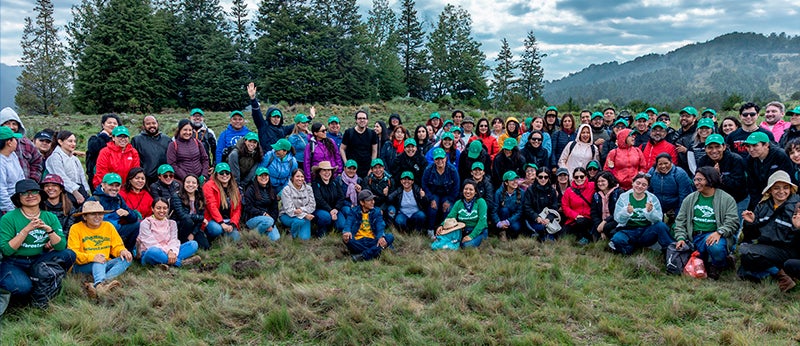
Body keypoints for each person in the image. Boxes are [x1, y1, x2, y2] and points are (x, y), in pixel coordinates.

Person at [0, 179, 76, 307]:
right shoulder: (8, 218)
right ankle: (30, 290)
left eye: (34, 192)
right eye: (24, 193)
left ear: (40, 195)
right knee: (22, 287)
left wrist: (49, 230)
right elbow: (7, 250)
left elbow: (60, 246)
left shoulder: (49, 217)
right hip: (15, 261)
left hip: (38, 259)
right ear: (19, 198)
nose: (30, 196)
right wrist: (26, 230)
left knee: (69, 254)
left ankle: (39, 280)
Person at [673, 167, 739, 279]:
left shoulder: (727, 199)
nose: (696, 183)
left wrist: (719, 232)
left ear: (710, 179)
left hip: (715, 236)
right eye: (695, 180)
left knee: (716, 248)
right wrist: (681, 238)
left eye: (700, 180)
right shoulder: (689, 199)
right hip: (694, 237)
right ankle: (719, 261)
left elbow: (733, 222)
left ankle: (716, 266)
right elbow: (680, 221)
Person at [739, 170, 800, 291]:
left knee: (747, 252)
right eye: (776, 188)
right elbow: (753, 235)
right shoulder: (762, 205)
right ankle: (780, 274)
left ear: (791, 189)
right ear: (770, 190)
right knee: (744, 261)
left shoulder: (797, 207)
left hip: (789, 250)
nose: (781, 191)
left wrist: (797, 228)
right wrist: (751, 223)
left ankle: (781, 276)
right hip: (767, 247)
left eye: (785, 187)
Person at [68, 201, 132, 297]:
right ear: (84, 217)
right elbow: (73, 254)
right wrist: (93, 257)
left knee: (126, 259)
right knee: (99, 261)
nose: (97, 217)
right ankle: (100, 284)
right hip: (82, 265)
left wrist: (122, 251)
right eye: (93, 214)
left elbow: (116, 245)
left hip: (104, 262)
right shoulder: (76, 228)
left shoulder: (108, 226)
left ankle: (100, 284)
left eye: (100, 214)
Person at [608, 173, 673, 255]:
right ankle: (630, 249)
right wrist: (626, 212)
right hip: (628, 230)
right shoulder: (624, 197)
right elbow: (617, 219)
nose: (640, 186)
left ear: (647, 187)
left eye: (644, 185)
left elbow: (658, 219)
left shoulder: (652, 198)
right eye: (638, 183)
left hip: (646, 231)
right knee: (617, 240)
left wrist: (650, 212)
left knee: (661, 226)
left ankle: (670, 250)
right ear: (633, 183)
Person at [138, 198, 201, 269]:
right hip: (152, 252)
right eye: (158, 208)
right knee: (152, 251)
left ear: (168, 209)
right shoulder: (146, 223)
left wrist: (171, 251)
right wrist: (168, 252)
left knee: (193, 244)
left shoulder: (171, 223)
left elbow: (173, 240)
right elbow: (150, 243)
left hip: (170, 250)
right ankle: (180, 263)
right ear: (152, 209)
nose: (162, 211)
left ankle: (163, 263)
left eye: (165, 208)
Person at [696, 134, 748, 214]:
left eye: (717, 147)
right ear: (705, 149)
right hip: (714, 200)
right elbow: (698, 183)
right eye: (710, 147)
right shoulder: (703, 161)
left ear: (724, 147)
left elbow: (739, 185)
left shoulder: (736, 160)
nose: (714, 151)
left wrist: (720, 176)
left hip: (737, 199)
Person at [89, 173, 141, 252]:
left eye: (117, 186)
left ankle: (128, 251)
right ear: (103, 185)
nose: (114, 188)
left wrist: (127, 213)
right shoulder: (94, 199)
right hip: (99, 234)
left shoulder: (118, 198)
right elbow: (84, 220)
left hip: (117, 230)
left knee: (136, 225)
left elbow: (133, 218)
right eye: (111, 185)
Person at [744, 131, 794, 210]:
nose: (751, 149)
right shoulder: (750, 159)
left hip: (782, 197)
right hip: (761, 198)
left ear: (766, 145)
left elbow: (790, 179)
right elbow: (752, 185)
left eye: (755, 145)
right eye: (748, 146)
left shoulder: (780, 156)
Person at [432, 180, 489, 249]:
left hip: (479, 231)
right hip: (462, 230)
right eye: (466, 189)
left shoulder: (481, 202)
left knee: (466, 245)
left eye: (471, 189)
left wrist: (471, 236)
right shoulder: (458, 203)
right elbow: (450, 216)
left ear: (476, 192)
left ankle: (480, 240)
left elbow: (482, 221)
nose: (468, 191)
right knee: (447, 239)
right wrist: (441, 225)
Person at [342, 190, 394, 261]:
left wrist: (381, 237)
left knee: (390, 237)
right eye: (369, 200)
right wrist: (347, 231)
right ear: (362, 202)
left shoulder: (377, 211)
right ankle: (376, 251)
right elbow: (348, 222)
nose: (373, 202)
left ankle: (363, 255)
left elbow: (380, 225)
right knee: (347, 239)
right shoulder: (354, 211)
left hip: (373, 240)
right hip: (358, 240)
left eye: (373, 199)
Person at [422, 148, 460, 238]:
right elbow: (424, 184)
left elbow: (456, 187)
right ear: (434, 160)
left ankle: (445, 231)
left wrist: (449, 200)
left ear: (446, 158)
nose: (439, 161)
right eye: (437, 159)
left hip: (448, 194)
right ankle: (430, 230)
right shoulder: (428, 169)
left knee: (448, 209)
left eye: (441, 158)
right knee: (432, 208)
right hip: (434, 193)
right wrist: (431, 198)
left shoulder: (452, 170)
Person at [45, 131, 90, 204]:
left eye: (74, 141)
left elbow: (82, 177)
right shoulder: (55, 157)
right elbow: (61, 177)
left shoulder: (75, 159)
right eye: (70, 141)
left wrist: (86, 191)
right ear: (60, 142)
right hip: (65, 192)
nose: (73, 144)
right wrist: (75, 192)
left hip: (79, 190)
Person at [0, 107, 43, 182]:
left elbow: (37, 162)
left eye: (14, 124)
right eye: (7, 123)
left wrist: (32, 181)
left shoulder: (27, 144)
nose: (11, 127)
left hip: (25, 186)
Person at [247, 82, 294, 150]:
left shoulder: (283, 129)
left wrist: (309, 117)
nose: (276, 119)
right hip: (266, 155)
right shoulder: (263, 126)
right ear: (269, 117)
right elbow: (257, 114)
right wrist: (253, 99)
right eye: (274, 117)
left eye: (278, 117)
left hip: (279, 155)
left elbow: (298, 124)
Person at [647, 153, 693, 222]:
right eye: (660, 164)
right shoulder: (652, 172)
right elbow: (648, 190)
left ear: (671, 162)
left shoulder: (679, 173)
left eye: (666, 163)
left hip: (676, 205)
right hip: (658, 204)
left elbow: (684, 195)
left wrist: (680, 212)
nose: (663, 166)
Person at [203, 163, 242, 242]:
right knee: (217, 229)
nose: (224, 175)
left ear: (230, 174)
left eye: (227, 172)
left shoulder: (234, 188)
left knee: (237, 238)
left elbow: (237, 209)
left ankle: (223, 235)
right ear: (216, 174)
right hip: (212, 219)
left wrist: (233, 224)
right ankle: (210, 235)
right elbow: (212, 206)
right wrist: (221, 223)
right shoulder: (208, 186)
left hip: (228, 220)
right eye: (221, 173)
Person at [131, 115, 171, 186]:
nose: (151, 125)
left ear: (157, 124)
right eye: (148, 124)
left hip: (164, 178)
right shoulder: (137, 140)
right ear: (143, 126)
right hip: (145, 180)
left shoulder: (167, 139)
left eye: (154, 123)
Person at [170, 175, 209, 248]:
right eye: (188, 182)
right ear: (184, 184)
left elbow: (200, 218)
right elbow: (182, 215)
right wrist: (200, 218)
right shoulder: (177, 196)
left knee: (205, 247)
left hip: (193, 227)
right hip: (180, 226)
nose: (190, 185)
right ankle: (181, 242)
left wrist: (193, 233)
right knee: (188, 221)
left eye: (194, 183)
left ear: (197, 185)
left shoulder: (200, 197)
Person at [522, 167, 560, 240]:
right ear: (536, 177)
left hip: (547, 219)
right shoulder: (530, 190)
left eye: (546, 177)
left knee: (552, 235)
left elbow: (554, 207)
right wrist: (536, 217)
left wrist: (549, 218)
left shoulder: (552, 190)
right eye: (540, 177)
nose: (543, 179)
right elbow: (527, 207)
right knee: (541, 228)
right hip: (534, 218)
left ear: (548, 178)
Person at [311, 161, 347, 237]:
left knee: (341, 226)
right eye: (324, 170)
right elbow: (319, 199)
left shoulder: (335, 183)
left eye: (329, 170)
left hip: (335, 209)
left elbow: (341, 197)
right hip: (320, 209)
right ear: (319, 172)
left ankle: (331, 226)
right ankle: (321, 232)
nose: (327, 173)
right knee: (325, 217)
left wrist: (336, 209)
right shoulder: (315, 184)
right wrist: (330, 210)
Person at [85, 114, 120, 190]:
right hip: (97, 177)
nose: (112, 125)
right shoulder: (94, 139)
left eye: (115, 123)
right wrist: (104, 136)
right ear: (103, 125)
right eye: (109, 123)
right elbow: (94, 149)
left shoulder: (120, 141)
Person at [561, 167, 596, 244]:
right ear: (573, 178)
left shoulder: (593, 186)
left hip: (589, 217)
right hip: (574, 218)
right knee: (562, 234)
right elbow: (565, 206)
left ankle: (586, 238)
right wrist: (575, 215)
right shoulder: (569, 190)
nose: (579, 179)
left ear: (586, 176)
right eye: (576, 177)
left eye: (581, 176)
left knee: (581, 223)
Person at [244, 168, 280, 241]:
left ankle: (262, 230)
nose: (264, 177)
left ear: (268, 177)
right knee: (268, 221)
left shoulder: (272, 191)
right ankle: (252, 236)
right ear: (256, 177)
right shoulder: (250, 190)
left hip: (269, 220)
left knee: (275, 238)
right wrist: (263, 214)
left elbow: (275, 209)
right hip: (252, 218)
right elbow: (248, 207)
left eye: (266, 175)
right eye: (261, 175)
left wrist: (272, 224)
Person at [279, 169, 316, 240]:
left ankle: (294, 230)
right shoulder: (286, 190)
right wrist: (305, 215)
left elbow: (312, 206)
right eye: (297, 176)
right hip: (287, 215)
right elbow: (289, 210)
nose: (300, 179)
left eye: (302, 176)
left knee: (305, 238)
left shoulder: (308, 188)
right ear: (292, 177)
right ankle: (290, 233)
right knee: (299, 221)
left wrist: (301, 210)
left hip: (305, 215)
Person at [340, 110, 378, 177]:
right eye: (359, 118)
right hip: (352, 168)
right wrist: (346, 164)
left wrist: (372, 167)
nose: (362, 120)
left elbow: (374, 151)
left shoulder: (372, 133)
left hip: (367, 169)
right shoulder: (349, 133)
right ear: (356, 120)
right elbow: (342, 149)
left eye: (364, 118)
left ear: (367, 120)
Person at [40, 174, 78, 238]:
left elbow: (69, 230)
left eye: (54, 185)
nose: (50, 188)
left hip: (64, 240)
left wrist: (56, 240)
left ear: (61, 189)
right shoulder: (38, 207)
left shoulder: (70, 208)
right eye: (46, 186)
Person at [0, 127, 26, 215]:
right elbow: (1, 190)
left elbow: (21, 177)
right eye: (15, 139)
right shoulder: (1, 162)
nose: (16, 142)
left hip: (17, 201)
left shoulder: (13, 155)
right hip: (6, 207)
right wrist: (10, 211)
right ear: (9, 142)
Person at [590, 171, 622, 241]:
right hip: (601, 221)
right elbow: (594, 213)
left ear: (609, 181)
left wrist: (605, 222)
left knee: (608, 229)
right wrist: (599, 225)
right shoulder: (596, 195)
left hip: (615, 220)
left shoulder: (618, 193)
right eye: (598, 181)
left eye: (603, 181)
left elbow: (618, 212)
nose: (600, 183)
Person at [492, 171, 524, 240]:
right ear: (506, 183)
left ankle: (509, 233)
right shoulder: (498, 193)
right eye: (512, 180)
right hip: (502, 217)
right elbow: (494, 210)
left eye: (516, 179)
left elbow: (520, 211)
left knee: (516, 227)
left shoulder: (521, 193)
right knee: (504, 210)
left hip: (514, 218)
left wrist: (508, 221)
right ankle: (502, 232)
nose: (515, 181)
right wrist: (498, 222)